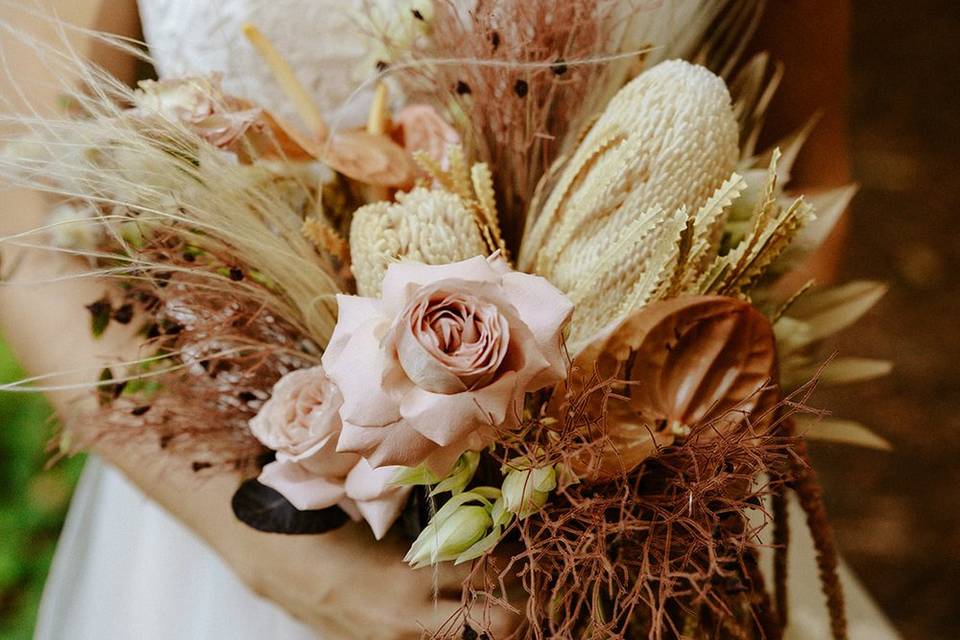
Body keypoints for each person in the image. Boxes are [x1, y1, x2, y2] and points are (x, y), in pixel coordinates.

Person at [0, 1, 895, 638]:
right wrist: (292, 569)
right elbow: (30, 241)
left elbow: (806, 168)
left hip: (642, 530)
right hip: (249, 526)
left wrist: (638, 463)